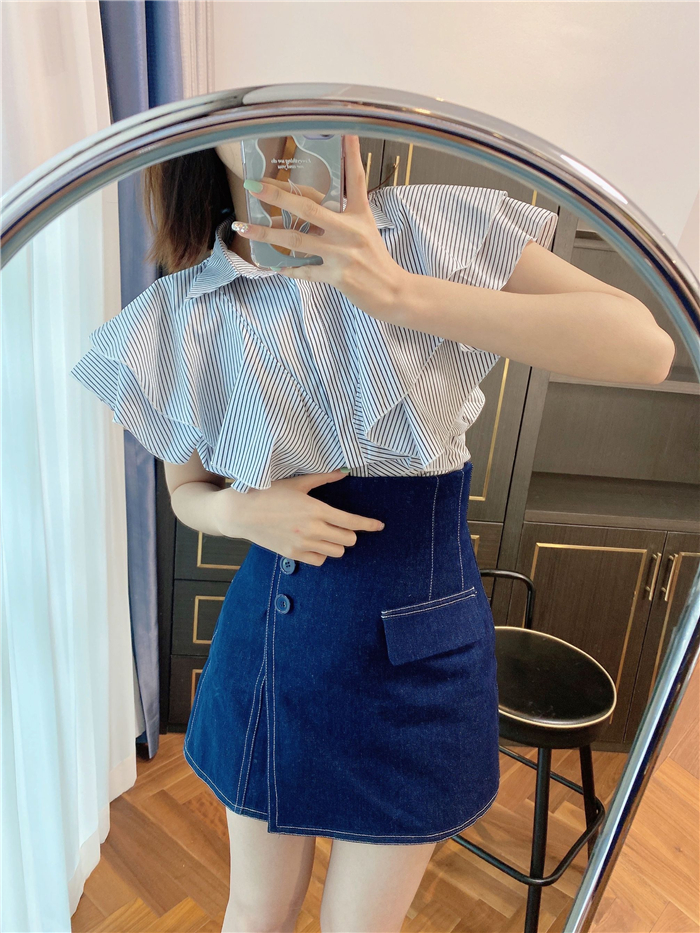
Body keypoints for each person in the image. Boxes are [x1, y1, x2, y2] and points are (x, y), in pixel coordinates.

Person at [71, 135, 674, 933]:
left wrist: (397, 292)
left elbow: (647, 348)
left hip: (418, 652)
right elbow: (186, 491)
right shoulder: (179, 311)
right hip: (270, 641)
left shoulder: (429, 227)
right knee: (256, 910)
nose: (289, 129)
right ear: (210, 129)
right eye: (260, 102)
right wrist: (239, 513)